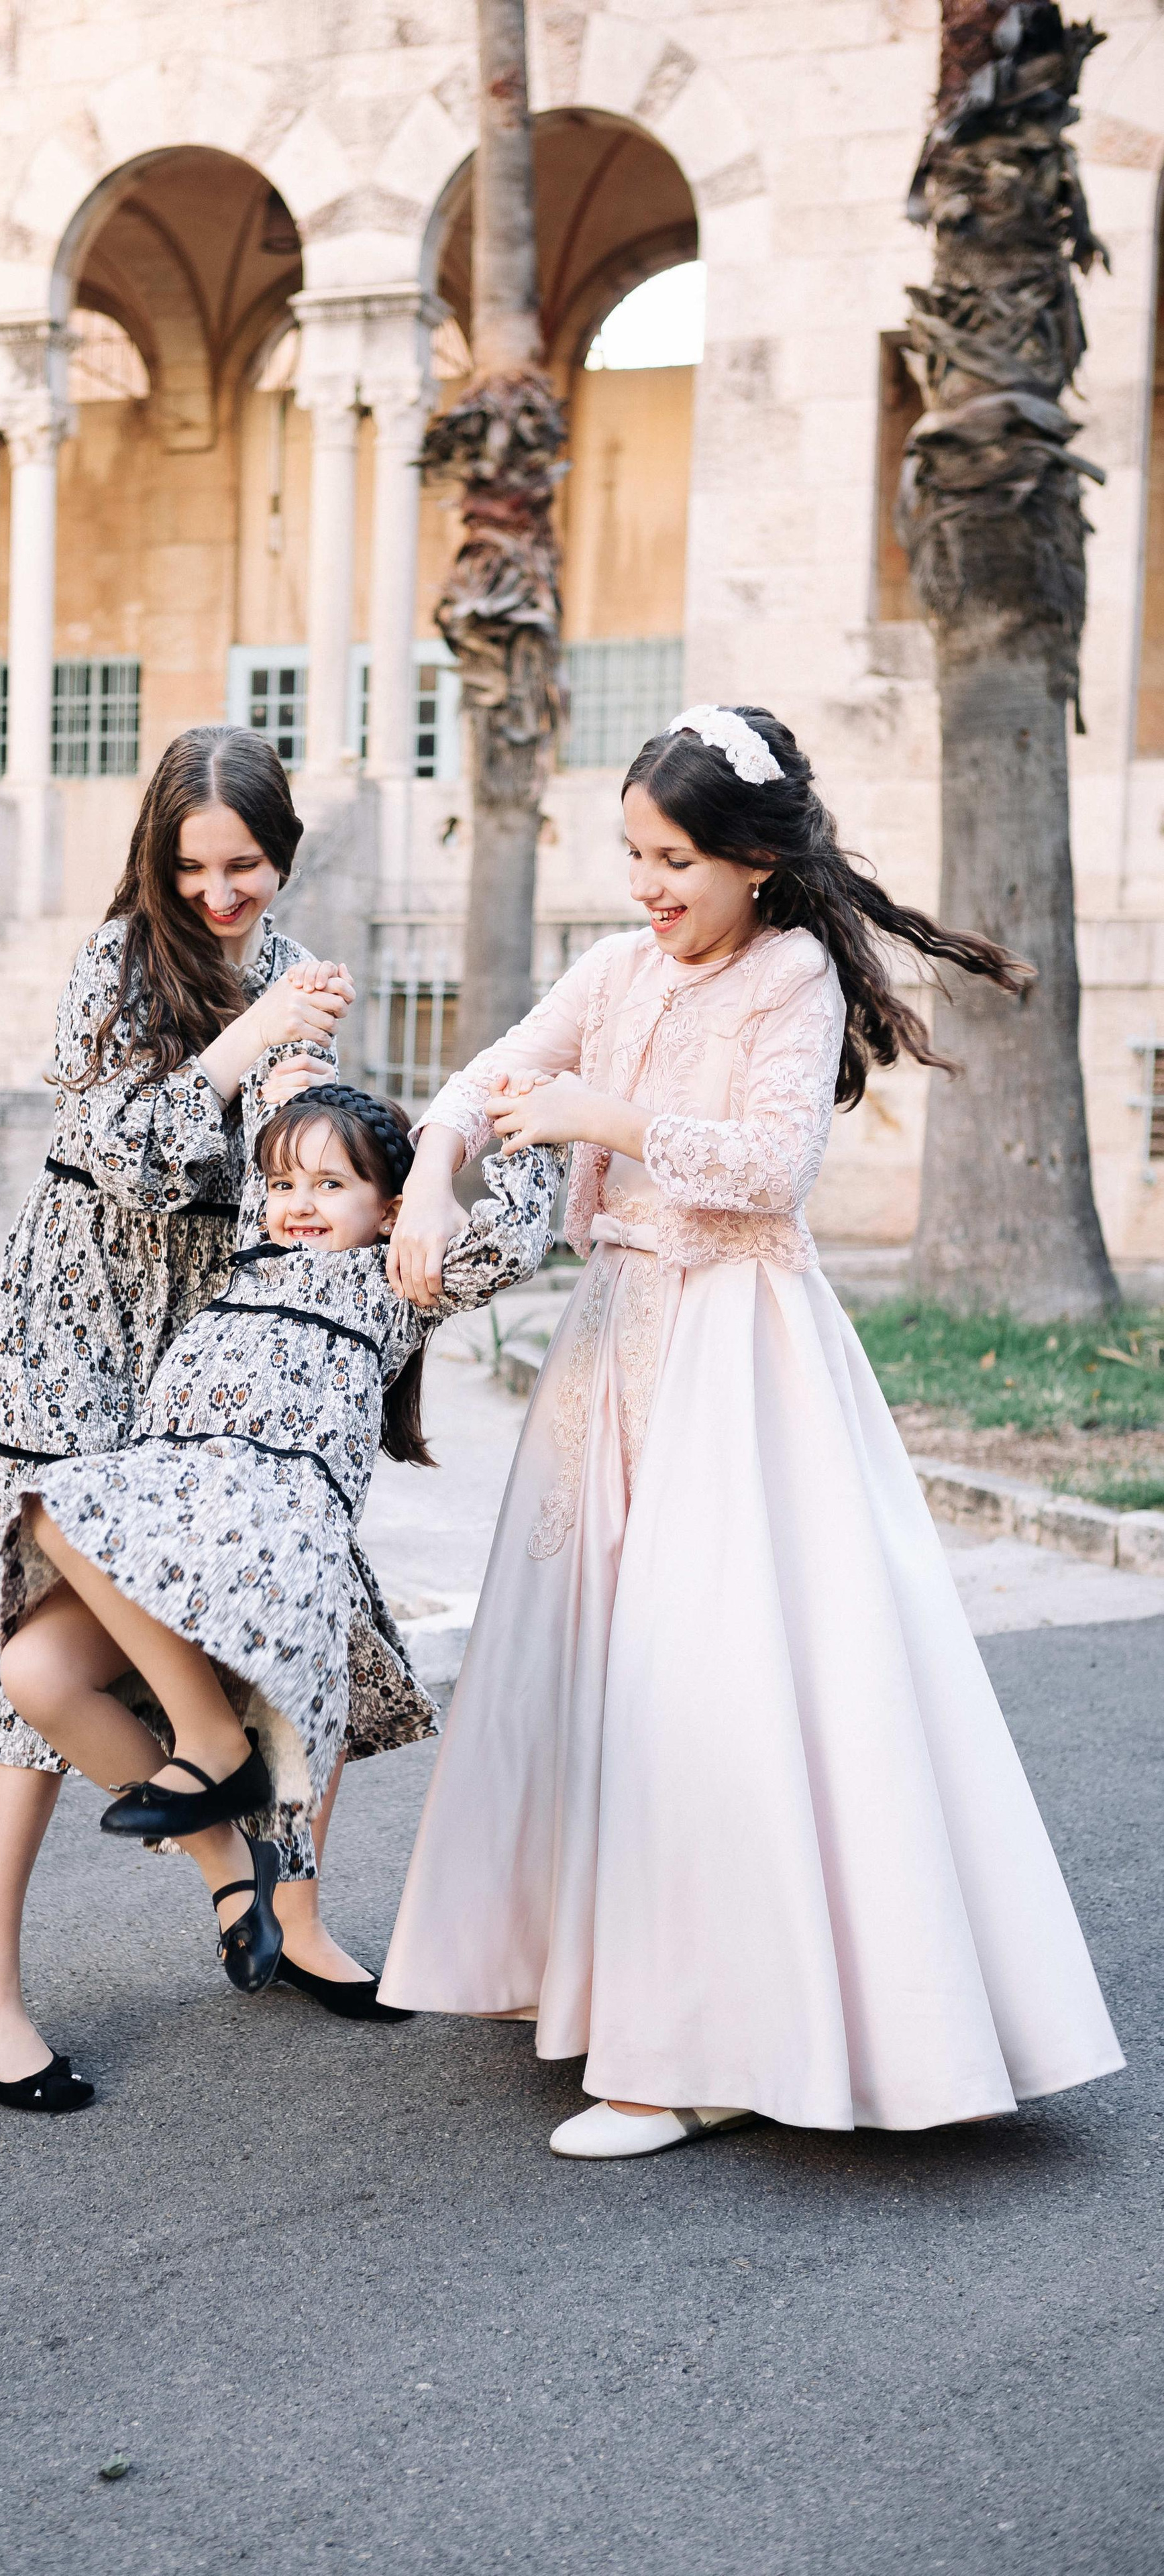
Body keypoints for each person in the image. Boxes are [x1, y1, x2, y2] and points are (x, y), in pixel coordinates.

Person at [378, 704, 1124, 2157]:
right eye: (635, 856)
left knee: (711, 1684)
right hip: (615, 1347)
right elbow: (480, 1085)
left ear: (756, 863)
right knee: (595, 1666)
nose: (648, 887)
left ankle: (693, 2051)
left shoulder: (786, 977)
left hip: (735, 1346)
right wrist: (429, 1171)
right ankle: (584, 1981)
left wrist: (615, 1114)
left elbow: (769, 1171)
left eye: (674, 860)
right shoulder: (613, 968)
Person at [0, 727, 361, 2112]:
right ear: (154, 861)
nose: (221, 893)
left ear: (282, 850)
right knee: (31, 1634)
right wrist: (246, 1046)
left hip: (204, 1336)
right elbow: (127, 1155)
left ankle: (273, 1908)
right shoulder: (116, 962)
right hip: (80, 1326)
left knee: (208, 1613)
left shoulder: (294, 975)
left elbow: (293, 1170)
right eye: (193, 867)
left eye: (244, 865)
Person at [0, 1082, 560, 2035]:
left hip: (275, 1525)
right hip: (177, 1517)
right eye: (282, 1180)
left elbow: (511, 1239)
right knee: (33, 1667)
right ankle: (228, 1874)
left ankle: (291, 1916)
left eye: (331, 1184)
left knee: (289, 1735)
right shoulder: (239, 1268)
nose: (298, 1200)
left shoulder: (396, 1276)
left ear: (390, 1209)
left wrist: (524, 1123)